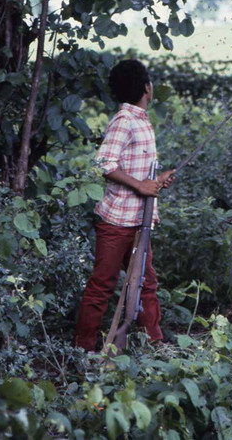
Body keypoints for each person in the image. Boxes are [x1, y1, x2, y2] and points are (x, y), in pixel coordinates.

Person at [74, 59, 175, 352]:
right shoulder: (125, 120)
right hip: (117, 222)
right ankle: (84, 352)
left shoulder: (141, 119)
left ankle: (153, 347)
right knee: (102, 286)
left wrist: (156, 179)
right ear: (147, 88)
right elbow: (104, 163)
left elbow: (135, 168)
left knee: (145, 284)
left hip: (139, 222)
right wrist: (141, 185)